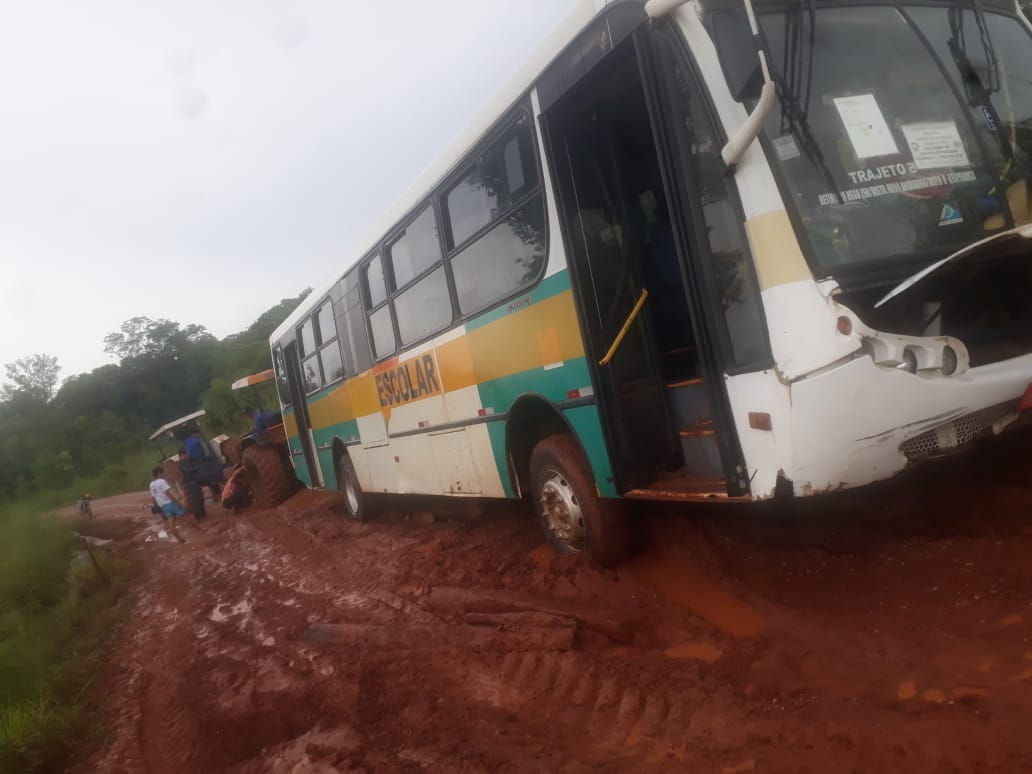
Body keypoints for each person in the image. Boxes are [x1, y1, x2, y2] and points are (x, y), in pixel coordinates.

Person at [149, 467, 187, 543]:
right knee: (186, 515)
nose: (164, 474)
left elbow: (153, 497)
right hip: (170, 503)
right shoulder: (162, 481)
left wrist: (158, 507)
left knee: (171, 522)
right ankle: (200, 530)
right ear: (159, 473)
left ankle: (180, 539)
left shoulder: (151, 484)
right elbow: (168, 493)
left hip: (163, 506)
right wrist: (177, 502)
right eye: (163, 473)